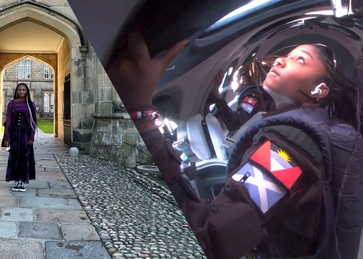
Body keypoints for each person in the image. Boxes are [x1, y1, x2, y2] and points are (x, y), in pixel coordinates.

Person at [107, 29, 363, 258]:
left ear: (319, 90)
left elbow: (209, 240)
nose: (280, 60)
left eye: (300, 59)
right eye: (287, 55)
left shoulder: (286, 153)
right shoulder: (296, 133)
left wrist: (140, 114)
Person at [210, 60, 276, 132]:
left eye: (234, 79)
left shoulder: (252, 98)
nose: (232, 83)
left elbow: (235, 123)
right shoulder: (258, 95)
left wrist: (217, 97)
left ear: (243, 79)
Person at [3, 83, 37, 192]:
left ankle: (23, 180)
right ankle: (16, 180)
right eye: (19, 90)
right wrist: (7, 137)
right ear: (16, 91)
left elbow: (33, 122)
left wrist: (32, 137)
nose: (22, 92)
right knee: (15, 157)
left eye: (23, 90)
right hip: (15, 133)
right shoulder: (11, 104)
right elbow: (8, 121)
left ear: (26, 91)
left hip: (26, 133)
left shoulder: (30, 104)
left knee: (25, 157)